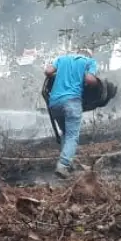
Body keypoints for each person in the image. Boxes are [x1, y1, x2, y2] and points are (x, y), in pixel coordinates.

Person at [44, 48, 99, 178]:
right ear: (88, 55)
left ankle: (69, 163)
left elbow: (47, 71)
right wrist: (98, 83)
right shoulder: (89, 62)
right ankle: (63, 165)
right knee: (72, 136)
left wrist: (57, 75)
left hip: (54, 103)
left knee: (66, 133)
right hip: (71, 102)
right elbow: (90, 80)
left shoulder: (61, 59)